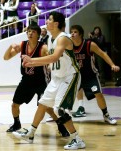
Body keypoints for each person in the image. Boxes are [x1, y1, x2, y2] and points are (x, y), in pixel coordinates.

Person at [13, 12, 85, 150]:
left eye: (49, 19)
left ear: (56, 23)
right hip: (57, 77)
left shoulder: (63, 38)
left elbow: (54, 58)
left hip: (70, 76)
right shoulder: (50, 39)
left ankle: (77, 139)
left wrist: (32, 59)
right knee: (42, 104)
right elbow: (49, 62)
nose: (47, 21)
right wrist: (31, 64)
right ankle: (31, 134)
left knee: (59, 109)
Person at [3, 24, 69, 137]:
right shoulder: (23, 45)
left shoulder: (43, 47)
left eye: (33, 31)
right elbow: (6, 57)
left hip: (41, 81)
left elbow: (53, 58)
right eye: (28, 31)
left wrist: (49, 66)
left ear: (38, 34)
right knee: (14, 105)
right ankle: (16, 123)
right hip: (26, 80)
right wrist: (10, 47)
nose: (30, 33)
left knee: (47, 108)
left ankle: (60, 124)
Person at [70, 25, 119, 125]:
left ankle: (106, 115)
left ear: (80, 34)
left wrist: (112, 64)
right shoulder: (69, 45)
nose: (72, 34)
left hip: (90, 75)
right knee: (66, 95)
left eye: (75, 32)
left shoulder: (89, 44)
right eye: (71, 32)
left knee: (98, 94)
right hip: (76, 75)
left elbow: (103, 54)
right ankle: (68, 114)